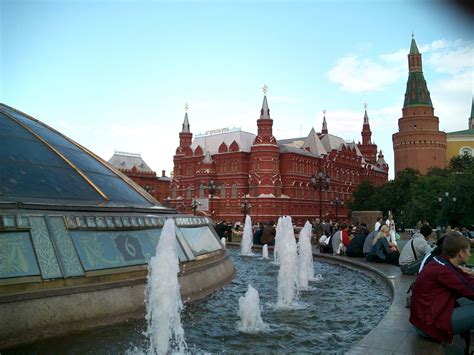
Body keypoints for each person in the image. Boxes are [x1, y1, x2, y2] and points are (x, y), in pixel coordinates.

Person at [410, 232, 474, 349]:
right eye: (469, 251)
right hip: (428, 326)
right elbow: (469, 290)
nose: (470, 254)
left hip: (424, 319)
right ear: (461, 253)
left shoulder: (441, 262)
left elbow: (466, 281)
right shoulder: (444, 271)